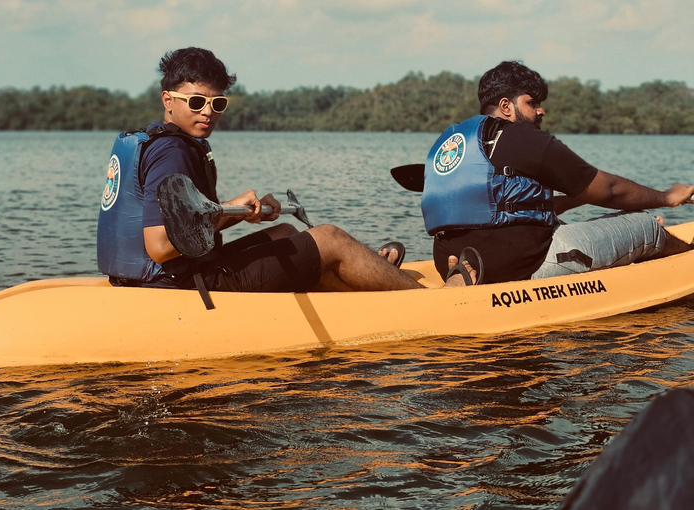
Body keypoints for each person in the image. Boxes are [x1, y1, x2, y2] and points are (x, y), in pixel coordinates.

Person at [97, 47, 470, 297]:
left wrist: (236, 214)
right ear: (168, 100)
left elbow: (185, 230)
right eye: (196, 101)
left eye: (217, 102)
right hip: (183, 286)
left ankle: (364, 286)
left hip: (166, 277)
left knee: (284, 233)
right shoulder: (172, 152)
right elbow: (161, 246)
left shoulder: (154, 141)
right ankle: (431, 304)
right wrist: (226, 208)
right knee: (329, 238)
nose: (207, 112)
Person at [422, 60, 694, 285]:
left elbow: (508, 211)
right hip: (519, 264)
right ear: (506, 107)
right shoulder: (523, 138)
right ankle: (688, 260)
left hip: (453, 261)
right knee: (646, 226)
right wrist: (667, 197)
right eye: (532, 103)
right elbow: (610, 190)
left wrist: (581, 196)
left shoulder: (453, 143)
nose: (542, 110)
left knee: (569, 224)